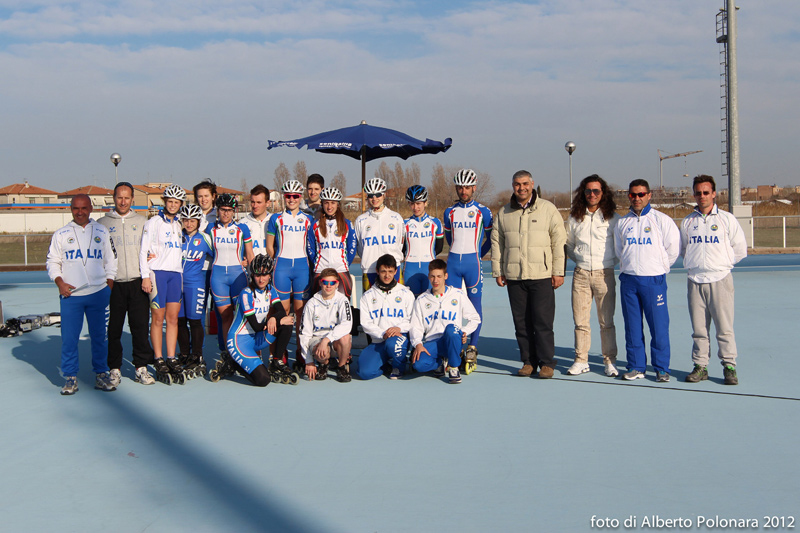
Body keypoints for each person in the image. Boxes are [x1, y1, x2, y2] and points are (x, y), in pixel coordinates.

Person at [491, 170, 566, 379]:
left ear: (532, 184)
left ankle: (547, 363)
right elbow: (497, 243)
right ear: (512, 186)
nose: (521, 188)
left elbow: (559, 242)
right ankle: (528, 361)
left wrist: (558, 271)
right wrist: (498, 270)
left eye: (525, 183)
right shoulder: (504, 212)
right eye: (517, 184)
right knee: (521, 323)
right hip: (515, 276)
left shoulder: (547, 209)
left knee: (542, 322)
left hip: (541, 275)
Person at [47, 194, 118, 395]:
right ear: (71, 209)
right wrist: (60, 283)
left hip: (98, 294)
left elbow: (111, 260)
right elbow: (53, 262)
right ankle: (70, 377)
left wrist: (109, 285)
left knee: (99, 337)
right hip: (71, 296)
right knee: (69, 339)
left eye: (84, 208)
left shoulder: (101, 231)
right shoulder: (61, 234)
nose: (80, 212)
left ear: (90, 208)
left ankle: (101, 374)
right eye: (76, 208)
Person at [680, 175, 747, 385]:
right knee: (699, 330)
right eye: (698, 193)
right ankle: (700, 366)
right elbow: (684, 250)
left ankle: (729, 366)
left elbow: (740, 249)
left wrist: (721, 265)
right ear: (694, 195)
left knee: (724, 328)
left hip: (720, 280)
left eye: (706, 192)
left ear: (714, 194)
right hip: (695, 280)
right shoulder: (688, 221)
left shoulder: (726, 219)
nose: (702, 196)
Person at [614, 179, 680, 382]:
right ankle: (636, 366)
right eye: (633, 194)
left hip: (653, 280)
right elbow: (620, 251)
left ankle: (661, 368)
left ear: (649, 195)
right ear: (629, 196)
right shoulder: (622, 223)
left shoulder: (661, 220)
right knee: (632, 327)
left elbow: (673, 249)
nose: (637, 198)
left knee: (658, 326)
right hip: (629, 281)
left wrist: (658, 268)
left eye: (641, 194)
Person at [97, 181, 156, 386]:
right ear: (114, 198)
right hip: (113, 284)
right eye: (119, 197)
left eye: (127, 197)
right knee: (113, 329)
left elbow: (152, 249)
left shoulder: (142, 222)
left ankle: (141, 367)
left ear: (132, 199)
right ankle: (114, 368)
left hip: (138, 282)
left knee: (139, 327)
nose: (123, 201)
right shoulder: (102, 223)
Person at [564, 175, 621, 377]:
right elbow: (568, 244)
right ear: (583, 193)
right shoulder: (574, 217)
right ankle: (581, 360)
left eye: (596, 191)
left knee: (606, 321)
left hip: (604, 274)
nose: (592, 194)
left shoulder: (613, 218)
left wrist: (606, 264)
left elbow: (619, 247)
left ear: (603, 193)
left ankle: (609, 360)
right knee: (580, 321)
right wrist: (580, 260)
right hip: (580, 274)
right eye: (588, 191)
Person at [211, 254, 297, 386]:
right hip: (239, 341)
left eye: (265, 275)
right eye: (257, 275)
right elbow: (256, 326)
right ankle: (233, 364)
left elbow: (281, 311)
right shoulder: (246, 294)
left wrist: (274, 318)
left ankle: (276, 361)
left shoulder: (270, 290)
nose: (261, 279)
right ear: (252, 276)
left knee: (287, 322)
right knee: (263, 380)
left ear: (270, 275)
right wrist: (277, 320)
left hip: (255, 338)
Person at [140, 184, 186, 380]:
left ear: (180, 204)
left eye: (176, 202)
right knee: (158, 318)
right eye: (170, 202)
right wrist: (145, 275)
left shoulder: (178, 224)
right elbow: (143, 250)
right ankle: (158, 357)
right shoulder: (153, 223)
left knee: (173, 319)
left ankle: (171, 356)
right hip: (157, 274)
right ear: (164, 202)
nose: (173, 205)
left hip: (176, 274)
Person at [409, 259, 481, 384]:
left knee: (451, 329)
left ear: (445, 276)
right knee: (418, 365)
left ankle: (454, 368)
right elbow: (416, 326)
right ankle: (440, 363)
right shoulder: (421, 299)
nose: (435, 281)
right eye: (432, 276)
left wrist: (464, 332)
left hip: (452, 339)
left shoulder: (457, 295)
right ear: (428, 277)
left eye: (439, 276)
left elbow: (475, 318)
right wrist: (418, 344)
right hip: (433, 342)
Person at [267, 180, 314, 363]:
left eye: (295, 196)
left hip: (302, 267)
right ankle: (278, 353)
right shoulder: (276, 219)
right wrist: (276, 260)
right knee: (281, 311)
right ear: (284, 197)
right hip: (282, 267)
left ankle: (301, 353)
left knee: (300, 312)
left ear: (300, 197)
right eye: (288, 196)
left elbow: (311, 246)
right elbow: (270, 246)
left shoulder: (308, 219)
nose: (292, 199)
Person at [207, 193, 255, 350]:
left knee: (242, 315)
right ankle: (228, 352)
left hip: (238, 276)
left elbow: (249, 253)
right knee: (226, 316)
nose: (225, 213)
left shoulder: (242, 228)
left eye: (229, 210)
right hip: (218, 277)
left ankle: (243, 348)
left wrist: (255, 275)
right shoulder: (211, 229)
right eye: (222, 210)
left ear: (234, 211)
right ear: (218, 210)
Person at [358, 254, 416, 380]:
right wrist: (382, 334)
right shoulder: (367, 296)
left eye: (390, 271)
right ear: (377, 271)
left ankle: (398, 366)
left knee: (392, 344)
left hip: (398, 337)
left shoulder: (406, 293)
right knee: (364, 373)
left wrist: (399, 328)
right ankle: (386, 365)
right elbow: (365, 323)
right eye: (383, 271)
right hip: (378, 340)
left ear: (396, 271)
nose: (387, 275)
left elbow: (412, 319)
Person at [177, 204, 215, 377]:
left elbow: (219, 256)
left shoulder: (205, 238)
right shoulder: (177, 237)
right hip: (177, 284)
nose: (189, 224)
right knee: (180, 321)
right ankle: (184, 354)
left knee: (194, 321)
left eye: (192, 220)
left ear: (198, 221)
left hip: (196, 284)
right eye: (186, 220)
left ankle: (197, 355)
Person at [298, 268, 353, 382]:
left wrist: (326, 340)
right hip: (318, 339)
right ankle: (323, 364)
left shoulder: (343, 300)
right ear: (320, 283)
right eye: (325, 282)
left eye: (332, 283)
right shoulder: (311, 303)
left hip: (333, 339)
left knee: (346, 337)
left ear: (337, 284)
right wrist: (309, 361)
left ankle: (341, 367)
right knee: (321, 352)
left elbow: (347, 324)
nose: (329, 286)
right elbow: (304, 333)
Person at [354, 177, 405, 291]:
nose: (374, 198)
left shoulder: (396, 217)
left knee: (396, 304)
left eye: (378, 194)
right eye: (371, 196)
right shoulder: (361, 220)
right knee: (371, 306)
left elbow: (400, 244)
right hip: (370, 269)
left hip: (392, 269)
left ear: (384, 195)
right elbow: (360, 248)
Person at [308, 187, 356, 298]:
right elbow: (310, 248)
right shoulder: (315, 225)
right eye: (326, 203)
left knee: (342, 306)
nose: (329, 207)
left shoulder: (347, 224)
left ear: (338, 204)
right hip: (320, 269)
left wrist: (344, 263)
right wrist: (316, 262)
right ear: (322, 203)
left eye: (333, 203)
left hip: (341, 270)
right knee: (318, 306)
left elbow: (352, 247)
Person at [402, 185, 444, 297]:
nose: (415, 207)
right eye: (412, 203)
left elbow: (439, 247)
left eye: (418, 203)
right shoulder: (404, 223)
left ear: (425, 203)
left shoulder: (435, 222)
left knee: (431, 302)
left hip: (429, 267)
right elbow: (402, 249)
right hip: (410, 268)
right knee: (412, 304)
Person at [241, 184, 272, 257]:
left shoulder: (274, 221)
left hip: (271, 267)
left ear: (267, 203)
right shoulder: (242, 223)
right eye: (253, 202)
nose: (255, 206)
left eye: (259, 202)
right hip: (251, 268)